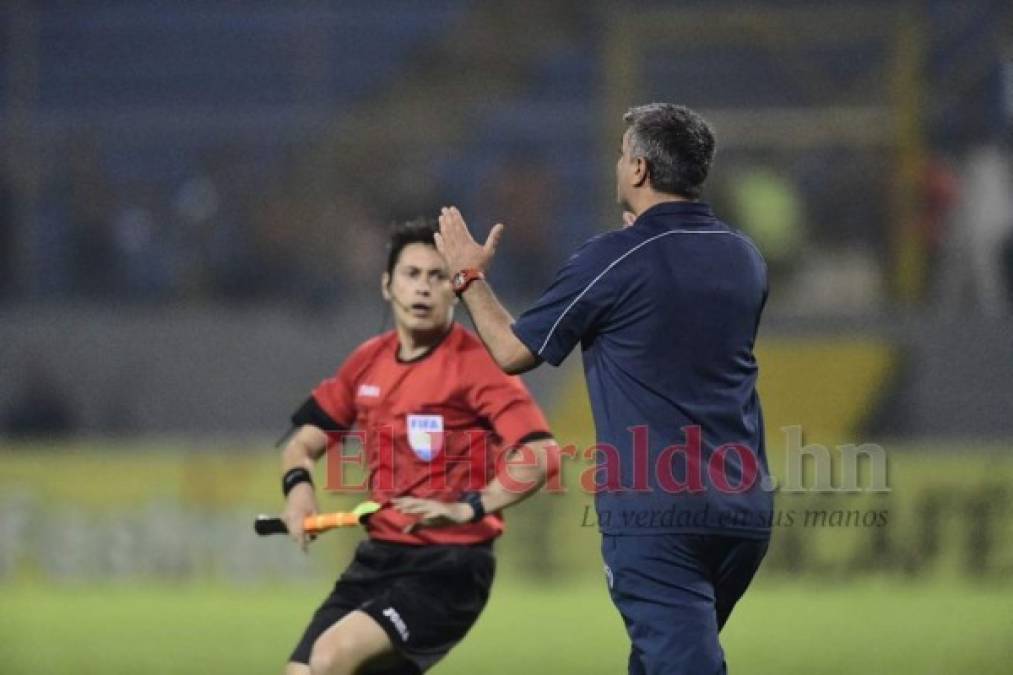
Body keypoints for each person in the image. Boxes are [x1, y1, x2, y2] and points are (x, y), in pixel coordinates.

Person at [435, 103, 772, 674]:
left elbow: (514, 351)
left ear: (639, 170)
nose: (617, 166)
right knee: (661, 656)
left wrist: (468, 277)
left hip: (657, 511)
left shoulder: (615, 257)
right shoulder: (746, 257)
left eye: (622, 156)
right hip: (743, 509)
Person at [278, 219, 556, 675]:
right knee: (302, 672)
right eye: (411, 275)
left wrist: (471, 507)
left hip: (450, 568)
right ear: (387, 285)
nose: (423, 288)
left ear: (455, 290)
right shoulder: (367, 361)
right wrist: (299, 490)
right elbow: (301, 445)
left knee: (331, 658)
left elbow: (540, 453)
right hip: (379, 559)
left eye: (438, 276)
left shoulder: (477, 365)